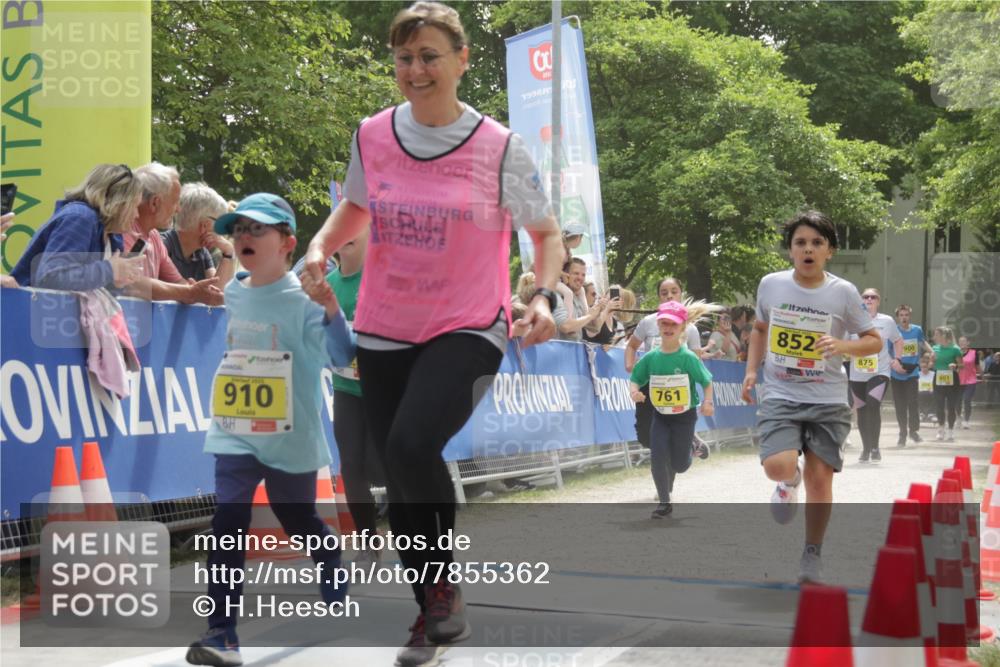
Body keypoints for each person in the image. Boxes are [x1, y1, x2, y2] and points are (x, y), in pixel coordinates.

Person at [299, 3, 562, 665]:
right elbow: (357, 204)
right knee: (398, 466)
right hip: (385, 325)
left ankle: (441, 588)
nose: (415, 70)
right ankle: (430, 613)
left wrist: (546, 294)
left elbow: (546, 234)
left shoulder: (501, 147)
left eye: (429, 56)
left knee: (414, 443)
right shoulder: (373, 134)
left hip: (470, 323)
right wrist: (321, 246)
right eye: (405, 58)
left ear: (462, 59)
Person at [185, 193, 354, 667]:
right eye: (239, 229)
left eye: (257, 229)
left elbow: (343, 356)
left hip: (291, 435)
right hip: (235, 431)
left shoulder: (304, 303)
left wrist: (332, 310)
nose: (244, 237)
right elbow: (229, 274)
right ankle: (222, 632)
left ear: (288, 243)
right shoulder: (234, 289)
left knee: (296, 518)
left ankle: (327, 554)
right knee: (227, 524)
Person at [741, 210, 880, 584]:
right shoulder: (771, 285)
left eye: (817, 243)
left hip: (828, 398)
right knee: (777, 465)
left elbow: (874, 340)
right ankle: (788, 482)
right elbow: (758, 329)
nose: (808, 249)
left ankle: (811, 554)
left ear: (829, 251)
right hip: (782, 393)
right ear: (790, 250)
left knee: (821, 480)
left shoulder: (843, 292)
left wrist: (842, 344)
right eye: (800, 242)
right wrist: (752, 369)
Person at [323, 225, 386, 566]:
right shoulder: (329, 284)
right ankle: (368, 542)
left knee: (383, 466)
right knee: (350, 466)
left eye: (353, 230)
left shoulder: (379, 277)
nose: (345, 235)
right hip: (346, 388)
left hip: (383, 389)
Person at [630, 300, 715, 518]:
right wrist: (634, 392)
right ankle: (664, 502)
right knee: (657, 455)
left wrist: (707, 402)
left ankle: (691, 449)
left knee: (680, 464)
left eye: (673, 325)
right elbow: (636, 377)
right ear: (658, 326)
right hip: (660, 415)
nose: (668, 328)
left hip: (684, 417)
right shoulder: (651, 357)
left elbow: (706, 381)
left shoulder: (687, 358)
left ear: (682, 328)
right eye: (664, 324)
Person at [10, 164, 146, 291]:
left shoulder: (113, 234)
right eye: (134, 206)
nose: (137, 214)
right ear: (118, 202)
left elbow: (89, 288)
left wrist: (115, 281)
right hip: (29, 312)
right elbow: (50, 278)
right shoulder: (80, 218)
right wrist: (109, 270)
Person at [123, 162, 224, 306]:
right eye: (175, 203)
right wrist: (190, 293)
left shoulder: (154, 237)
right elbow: (130, 283)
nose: (178, 210)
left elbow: (178, 282)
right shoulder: (121, 229)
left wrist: (201, 293)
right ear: (155, 203)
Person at [625, 277, 705, 451]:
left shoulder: (690, 328)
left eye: (674, 291)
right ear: (659, 297)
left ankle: (685, 440)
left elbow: (697, 359)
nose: (669, 296)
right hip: (650, 383)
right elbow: (631, 346)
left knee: (673, 430)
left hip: (678, 385)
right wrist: (631, 366)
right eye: (664, 293)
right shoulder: (648, 322)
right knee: (645, 437)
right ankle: (680, 443)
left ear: (681, 294)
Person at [848, 288, 903, 463]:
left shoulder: (886, 321)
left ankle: (875, 447)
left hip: (880, 371)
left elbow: (898, 339)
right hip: (857, 373)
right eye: (866, 297)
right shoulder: (852, 321)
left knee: (873, 404)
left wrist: (897, 359)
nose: (869, 299)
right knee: (862, 410)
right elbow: (842, 341)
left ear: (878, 301)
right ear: (861, 300)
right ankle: (865, 449)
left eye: (873, 297)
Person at [161, 182, 235, 283]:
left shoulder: (201, 253)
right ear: (204, 225)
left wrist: (228, 252)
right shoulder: (162, 245)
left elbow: (218, 292)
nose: (222, 232)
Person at [889, 304, 932, 446]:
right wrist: (894, 365)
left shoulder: (917, 330)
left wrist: (931, 351)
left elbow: (923, 342)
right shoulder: (893, 331)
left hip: (912, 371)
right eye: (901, 315)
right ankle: (902, 433)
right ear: (897, 317)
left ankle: (913, 431)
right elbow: (888, 351)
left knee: (913, 402)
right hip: (896, 372)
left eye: (906, 315)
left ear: (910, 316)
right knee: (900, 405)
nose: (904, 317)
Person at [930, 326, 964, 441]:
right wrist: (932, 360)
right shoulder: (934, 348)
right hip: (938, 378)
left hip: (952, 379)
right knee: (939, 405)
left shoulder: (955, 349)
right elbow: (931, 365)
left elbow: (962, 365)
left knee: (951, 406)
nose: (934, 337)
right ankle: (940, 429)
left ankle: (950, 431)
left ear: (943, 336)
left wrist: (955, 365)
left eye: (936, 334)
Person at [958, 335, 981, 429]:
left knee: (967, 400)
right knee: (957, 401)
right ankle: (958, 418)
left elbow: (977, 366)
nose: (962, 343)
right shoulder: (956, 353)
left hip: (971, 380)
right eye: (960, 342)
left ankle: (966, 420)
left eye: (964, 341)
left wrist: (982, 376)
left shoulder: (974, 353)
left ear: (968, 343)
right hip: (958, 380)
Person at [918, 354, 936, 422]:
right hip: (920, 392)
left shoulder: (933, 374)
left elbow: (935, 385)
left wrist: (932, 389)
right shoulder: (918, 374)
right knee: (918, 394)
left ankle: (931, 414)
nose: (923, 369)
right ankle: (921, 413)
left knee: (935, 394)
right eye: (922, 367)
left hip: (930, 392)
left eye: (925, 367)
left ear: (928, 366)